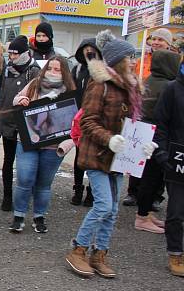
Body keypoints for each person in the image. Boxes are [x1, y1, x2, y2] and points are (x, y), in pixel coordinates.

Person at [65, 30, 154, 278]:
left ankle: (99, 253)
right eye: (130, 57)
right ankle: (78, 249)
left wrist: (144, 146)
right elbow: (88, 121)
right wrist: (110, 139)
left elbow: (134, 125)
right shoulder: (99, 83)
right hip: (97, 155)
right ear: (118, 60)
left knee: (112, 210)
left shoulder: (132, 86)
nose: (134, 61)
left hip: (119, 158)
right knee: (103, 205)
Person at [9, 57, 75, 233]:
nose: (53, 72)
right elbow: (15, 99)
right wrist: (22, 100)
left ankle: (39, 216)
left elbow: (76, 126)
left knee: (44, 183)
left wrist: (66, 146)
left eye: (57, 69)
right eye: (50, 68)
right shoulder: (34, 84)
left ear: (64, 73)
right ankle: (19, 215)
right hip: (28, 141)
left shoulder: (70, 91)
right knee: (24, 178)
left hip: (53, 147)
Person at [133, 49, 179, 233]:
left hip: (147, 133)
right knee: (151, 178)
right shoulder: (166, 86)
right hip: (156, 135)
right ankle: (142, 217)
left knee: (151, 177)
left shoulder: (151, 80)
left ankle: (146, 213)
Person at [0, 35, 40, 212]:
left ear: (24, 53)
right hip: (8, 121)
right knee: (8, 160)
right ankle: (7, 196)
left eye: (15, 54)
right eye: (10, 54)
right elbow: (2, 91)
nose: (12, 57)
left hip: (26, 125)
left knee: (26, 163)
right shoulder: (8, 68)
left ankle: (26, 195)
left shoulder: (34, 70)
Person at [152, 56, 184, 276]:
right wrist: (162, 154)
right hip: (177, 160)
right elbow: (161, 124)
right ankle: (175, 253)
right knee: (176, 212)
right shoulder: (172, 89)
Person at [70, 38, 102, 207]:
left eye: (92, 49)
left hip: (95, 118)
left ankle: (91, 192)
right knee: (78, 157)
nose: (89, 52)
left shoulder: (102, 70)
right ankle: (78, 189)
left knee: (93, 157)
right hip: (78, 119)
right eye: (86, 49)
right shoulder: (77, 69)